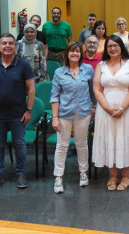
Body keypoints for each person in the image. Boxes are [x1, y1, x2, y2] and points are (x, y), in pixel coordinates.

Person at [0, 33, 35, 191]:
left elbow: (31, 89)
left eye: (11, 43)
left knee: (19, 144)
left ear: (16, 46)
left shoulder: (23, 65)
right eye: (4, 43)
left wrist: (29, 110)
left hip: (18, 114)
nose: (7, 46)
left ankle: (21, 173)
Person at [92, 35, 129, 191]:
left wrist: (122, 108)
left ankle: (126, 175)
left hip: (127, 109)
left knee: (125, 138)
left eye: (115, 45)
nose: (112, 49)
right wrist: (107, 108)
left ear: (121, 47)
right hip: (105, 110)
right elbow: (97, 89)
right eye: (109, 46)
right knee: (110, 139)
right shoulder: (101, 65)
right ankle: (113, 175)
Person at [50, 42, 95, 194]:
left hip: (83, 112)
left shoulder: (87, 69)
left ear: (81, 54)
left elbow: (93, 90)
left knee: (81, 144)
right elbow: (54, 95)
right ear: (67, 54)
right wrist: (55, 117)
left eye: (77, 51)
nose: (75, 54)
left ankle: (83, 173)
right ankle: (58, 177)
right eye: (72, 51)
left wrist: (94, 106)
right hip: (64, 113)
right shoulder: (59, 72)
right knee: (62, 145)